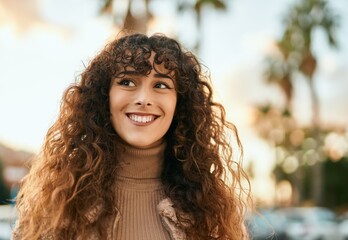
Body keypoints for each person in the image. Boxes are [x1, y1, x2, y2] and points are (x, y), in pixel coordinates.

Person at [13, 33, 251, 240]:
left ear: (180, 102)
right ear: (105, 96)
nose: (143, 99)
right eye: (127, 82)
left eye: (161, 85)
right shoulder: (55, 204)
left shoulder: (214, 213)